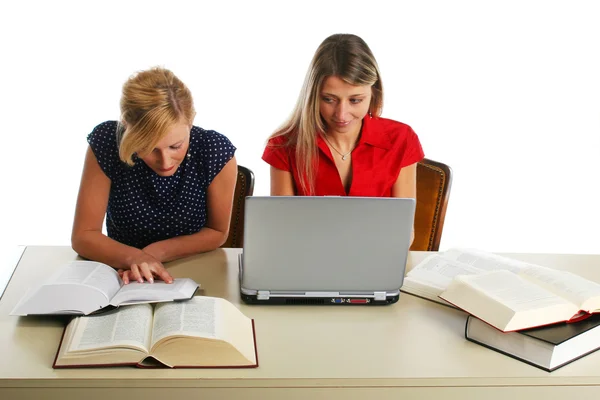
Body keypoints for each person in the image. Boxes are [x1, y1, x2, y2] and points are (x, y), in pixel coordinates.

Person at [72, 67, 237, 284]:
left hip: (194, 270)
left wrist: (153, 254)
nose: (165, 161)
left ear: (190, 121)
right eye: (148, 148)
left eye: (175, 146)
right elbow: (84, 235)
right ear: (126, 128)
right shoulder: (107, 142)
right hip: (122, 273)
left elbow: (217, 232)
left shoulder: (214, 150)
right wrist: (134, 258)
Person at [262, 33, 424, 203]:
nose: (341, 114)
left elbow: (404, 226)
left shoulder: (400, 139)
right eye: (329, 99)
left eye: (355, 100)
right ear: (312, 96)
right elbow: (282, 225)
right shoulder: (284, 145)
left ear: (373, 93)